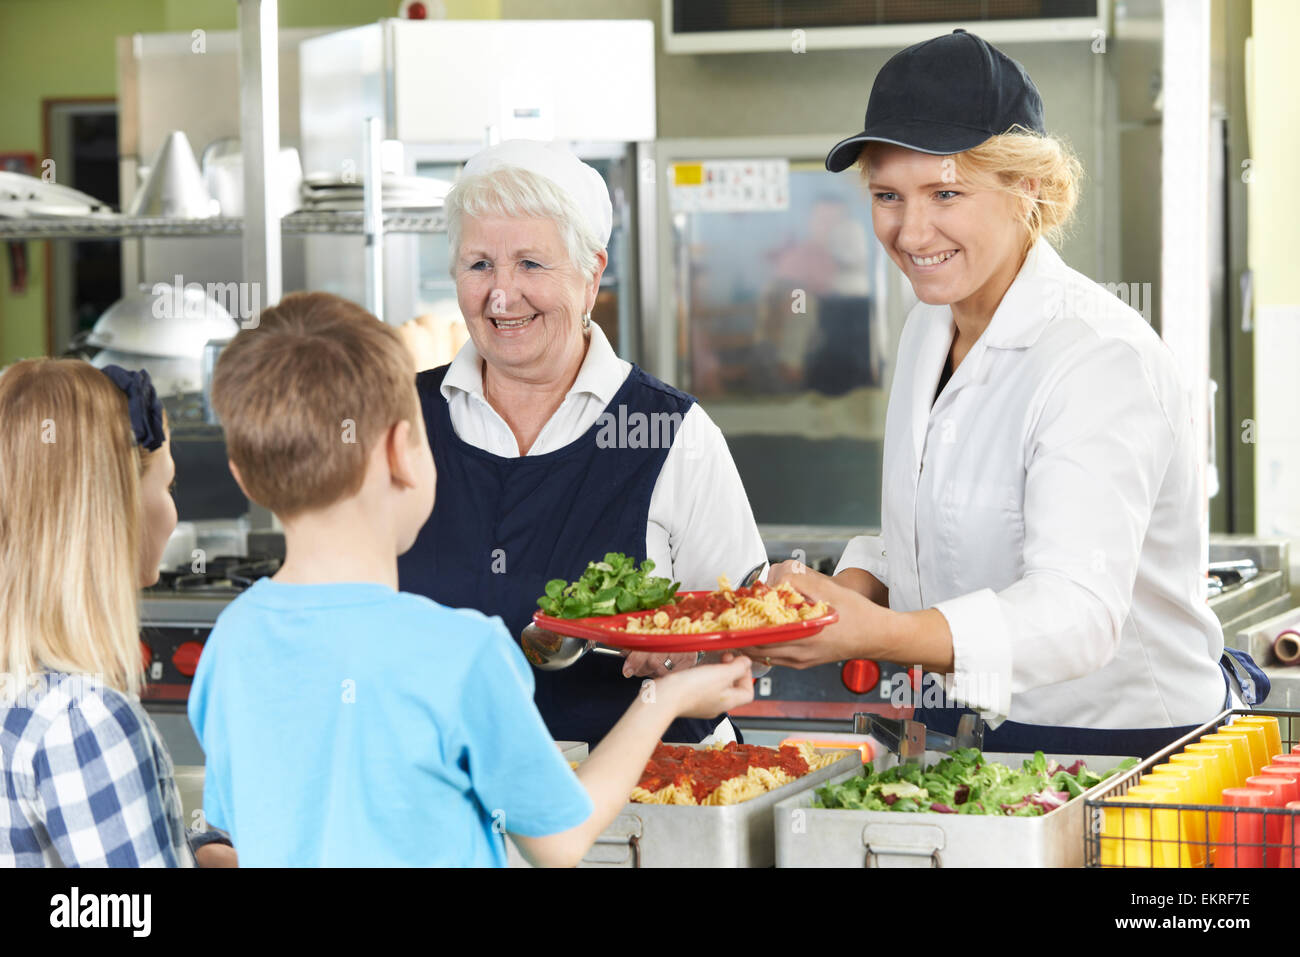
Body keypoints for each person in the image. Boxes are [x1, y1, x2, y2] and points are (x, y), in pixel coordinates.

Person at [751, 29, 1259, 756]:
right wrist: (848, 587)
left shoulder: (1097, 357)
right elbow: (933, 533)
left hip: (1129, 754)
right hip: (982, 739)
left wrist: (881, 634)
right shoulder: (930, 325)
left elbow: (1077, 612)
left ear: (1029, 188)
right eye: (887, 195)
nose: (910, 229)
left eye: (946, 192)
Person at [193, 292, 754, 867]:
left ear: (245, 477)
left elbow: (230, 843)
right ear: (402, 454)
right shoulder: (462, 653)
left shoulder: (232, 640)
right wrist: (664, 699)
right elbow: (560, 841)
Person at [396, 139, 766, 745]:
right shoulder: (398, 417)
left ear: (592, 273)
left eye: (531, 265)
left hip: (647, 804)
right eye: (479, 264)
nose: (501, 294)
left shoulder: (672, 433)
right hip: (445, 798)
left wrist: (689, 656)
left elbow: (745, 636)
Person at [0, 360, 233, 866]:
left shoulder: (23, 694)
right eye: (168, 487)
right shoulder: (86, 722)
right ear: (115, 508)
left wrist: (194, 852)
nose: (173, 513)